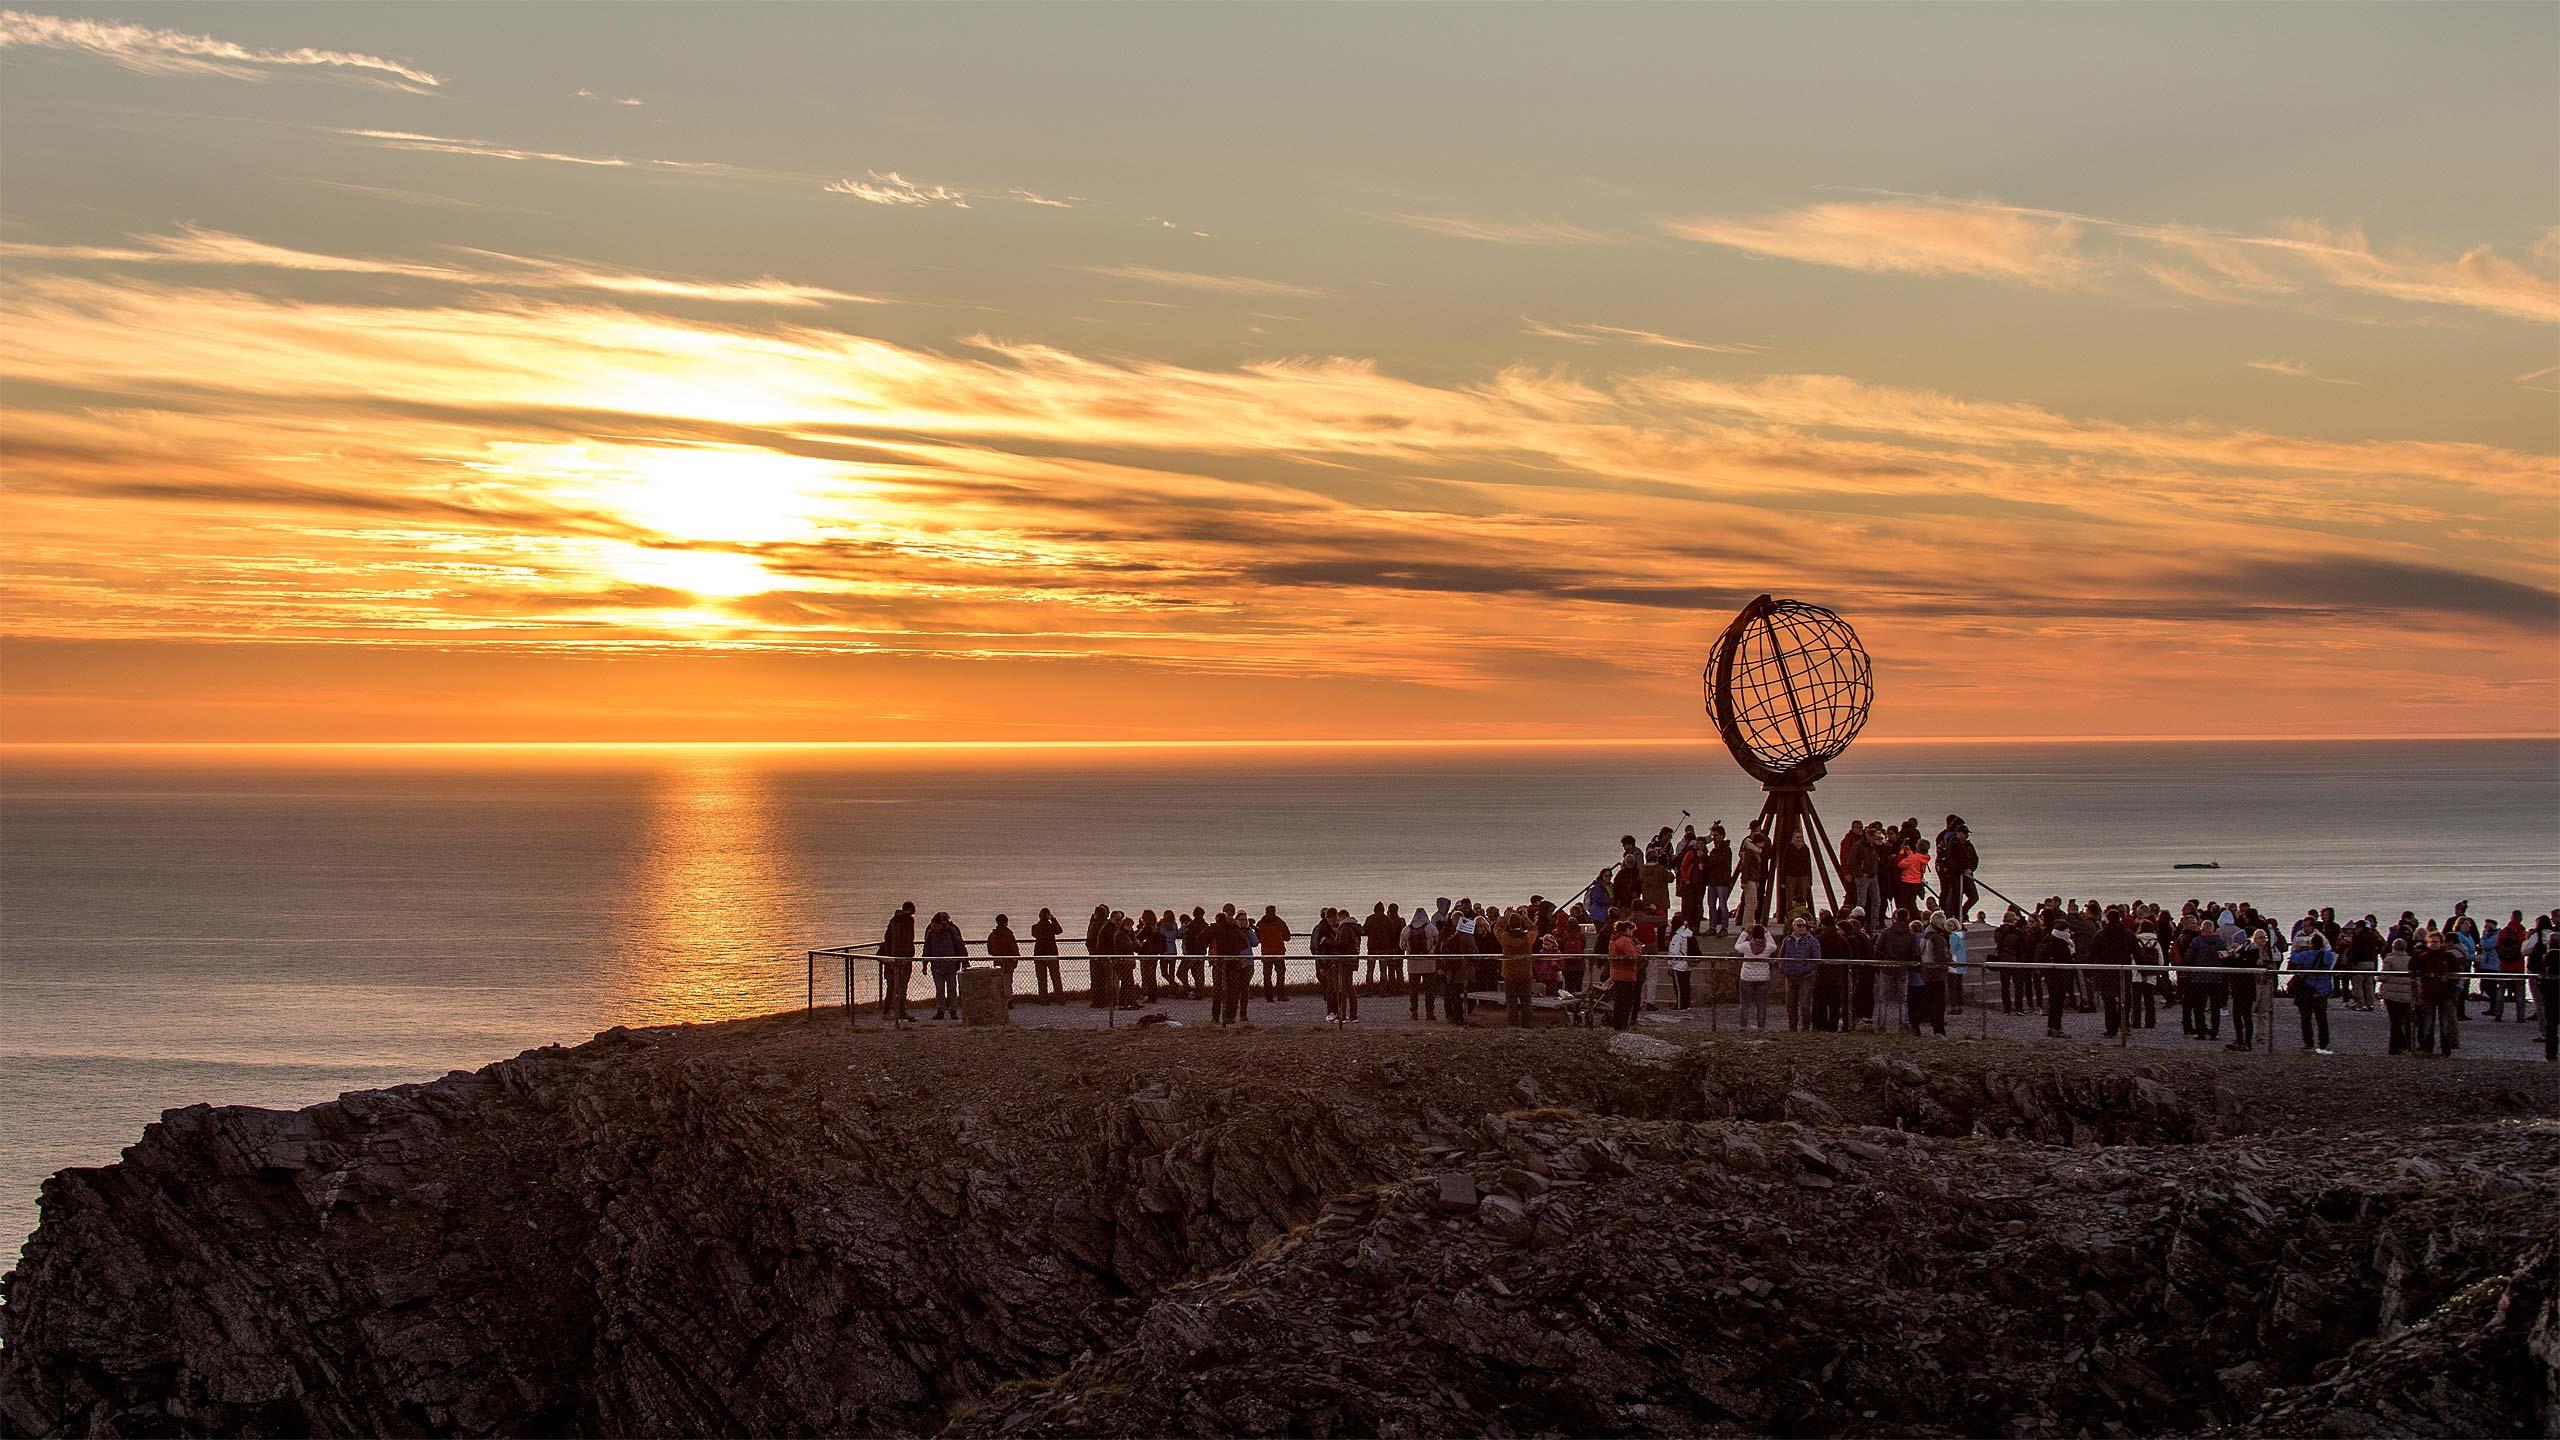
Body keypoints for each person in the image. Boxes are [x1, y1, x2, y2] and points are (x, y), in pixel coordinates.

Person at [2285, 928, 2335, 1055]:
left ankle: (2308, 1042)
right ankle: (2323, 1043)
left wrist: (2299, 948)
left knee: (2306, 1018)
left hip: (2307, 990)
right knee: (2322, 1019)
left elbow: (2294, 958)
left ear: (2311, 944)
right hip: (2322, 990)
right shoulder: (2328, 956)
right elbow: (2333, 958)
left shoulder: (2305, 955)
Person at [2412, 934, 2459, 1058]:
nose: (2434, 944)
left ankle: (2445, 1050)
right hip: (2428, 994)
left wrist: (2449, 982)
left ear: (2441, 942)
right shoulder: (2423, 957)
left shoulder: (2449, 957)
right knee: (2428, 1023)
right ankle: (2428, 1048)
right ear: (2428, 943)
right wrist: (2416, 952)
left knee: (2445, 1024)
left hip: (2445, 994)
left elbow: (2456, 974)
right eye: (2431, 942)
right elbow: (2412, 967)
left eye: (2436, 942)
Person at [1874, 914, 1915, 1033]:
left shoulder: (1886, 933)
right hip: (1903, 967)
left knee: (1883, 998)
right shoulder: (1910, 935)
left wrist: (1880, 962)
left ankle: (1881, 1025)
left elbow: (1878, 948)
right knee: (1903, 998)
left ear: (1894, 919)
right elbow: (1913, 952)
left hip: (1887, 967)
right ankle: (1903, 1024)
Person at [922, 910, 967, 1021]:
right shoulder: (931, 933)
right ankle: (941, 1010)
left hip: (951, 965)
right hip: (937, 965)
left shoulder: (952, 931)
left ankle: (953, 1011)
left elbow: (960, 946)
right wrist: (925, 964)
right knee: (940, 989)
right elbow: (926, 949)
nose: (934, 927)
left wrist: (964, 960)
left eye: (936, 925)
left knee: (952, 989)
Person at [878, 901, 917, 1024]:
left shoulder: (893, 920)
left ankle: (889, 1011)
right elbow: (907, 941)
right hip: (901, 959)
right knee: (901, 986)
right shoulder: (908, 921)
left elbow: (887, 938)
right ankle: (899, 1011)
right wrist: (908, 955)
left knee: (892, 986)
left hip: (892, 958)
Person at [1778, 916, 1820, 1029]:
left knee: (1805, 1003)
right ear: (1793, 927)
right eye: (1799, 925)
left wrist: (1804, 970)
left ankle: (1805, 1027)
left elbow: (1816, 960)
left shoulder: (1812, 941)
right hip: (1790, 975)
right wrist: (1783, 969)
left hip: (1805, 977)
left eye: (1804, 926)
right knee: (1790, 1003)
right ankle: (1792, 1026)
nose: (1802, 928)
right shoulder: (1787, 940)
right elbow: (1781, 956)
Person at [1499, 906, 1536, 1027]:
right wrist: (1525, 917)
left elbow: (1497, 928)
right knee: (1526, 1001)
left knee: (1511, 1002)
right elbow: (1533, 928)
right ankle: (1527, 1024)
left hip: (1509, 973)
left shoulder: (1505, 937)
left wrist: (1506, 916)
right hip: (1525, 973)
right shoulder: (1527, 939)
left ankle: (1513, 1024)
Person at [1607, 920, 1644, 1031]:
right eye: (1632, 931)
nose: (1632, 933)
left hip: (1615, 972)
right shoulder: (1626, 941)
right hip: (1626, 974)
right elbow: (1632, 957)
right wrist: (1638, 950)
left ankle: (1617, 1023)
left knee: (1618, 1000)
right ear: (1627, 930)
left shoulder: (1613, 940)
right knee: (1626, 1001)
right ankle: (1623, 1023)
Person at [2381, 937, 2415, 1054]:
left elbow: (2384, 977)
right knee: (2406, 1021)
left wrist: (2377, 978)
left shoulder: (2389, 959)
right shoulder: (2411, 960)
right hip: (2407, 993)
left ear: (2393, 947)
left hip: (2391, 994)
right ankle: (2408, 1045)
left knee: (2395, 1022)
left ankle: (2395, 1046)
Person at [1703, 823, 1735, 935]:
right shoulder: (1714, 851)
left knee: (1722, 905)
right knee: (1711, 905)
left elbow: (1718, 861)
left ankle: (1724, 928)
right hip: (1712, 881)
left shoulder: (1726, 849)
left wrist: (1708, 859)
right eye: (1713, 836)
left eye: (1716, 836)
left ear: (1722, 836)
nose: (1714, 838)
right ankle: (1712, 927)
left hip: (1722, 881)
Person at [986, 913, 1021, 1012]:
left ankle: (999, 999)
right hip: (1008, 961)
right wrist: (1015, 959)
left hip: (998, 960)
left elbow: (990, 949)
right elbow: (1014, 948)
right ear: (1006, 922)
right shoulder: (1009, 934)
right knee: (1008, 981)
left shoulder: (993, 935)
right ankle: (1008, 1001)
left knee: (998, 982)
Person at [1255, 906, 1291, 1002]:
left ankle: (1269, 997)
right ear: (1274, 912)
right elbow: (1287, 937)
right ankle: (1281, 995)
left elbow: (1257, 939)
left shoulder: (1260, 924)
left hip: (1266, 953)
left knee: (1267, 975)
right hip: (1279, 953)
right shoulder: (1280, 923)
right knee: (1280, 974)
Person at [1030, 907, 1064, 1000]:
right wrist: (1053, 920)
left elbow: (1034, 934)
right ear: (1048, 916)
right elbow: (1060, 930)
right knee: (1056, 977)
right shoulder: (1052, 926)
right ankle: (1060, 997)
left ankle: (1043, 999)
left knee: (1041, 978)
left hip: (1039, 954)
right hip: (1052, 954)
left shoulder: (1035, 927)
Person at [1668, 915, 1697, 1010]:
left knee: (1679, 987)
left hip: (1678, 965)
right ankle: (1686, 1004)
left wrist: (1671, 964)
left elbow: (1673, 952)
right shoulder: (1688, 934)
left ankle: (1680, 1005)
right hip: (1687, 964)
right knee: (1686, 985)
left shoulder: (1677, 936)